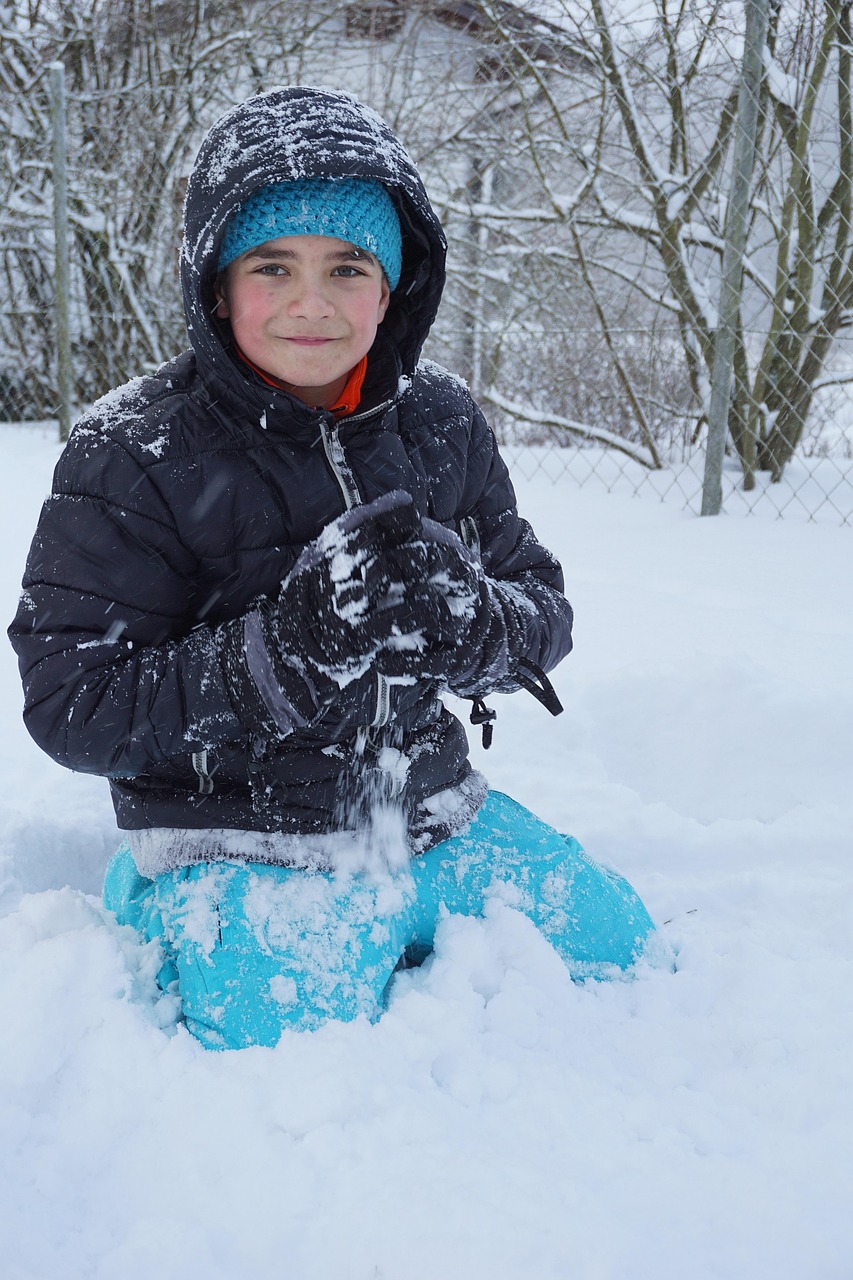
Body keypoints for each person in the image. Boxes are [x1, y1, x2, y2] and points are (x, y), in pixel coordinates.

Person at [8, 86, 658, 1049]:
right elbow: (75, 705)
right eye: (272, 265)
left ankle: (407, 910)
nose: (311, 304)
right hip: (240, 839)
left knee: (623, 949)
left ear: (393, 286)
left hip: (432, 811)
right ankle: (156, 903)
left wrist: (479, 622)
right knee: (282, 1039)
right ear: (216, 284)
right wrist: (289, 648)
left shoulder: (440, 423)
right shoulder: (132, 452)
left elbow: (539, 605)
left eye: (348, 266)